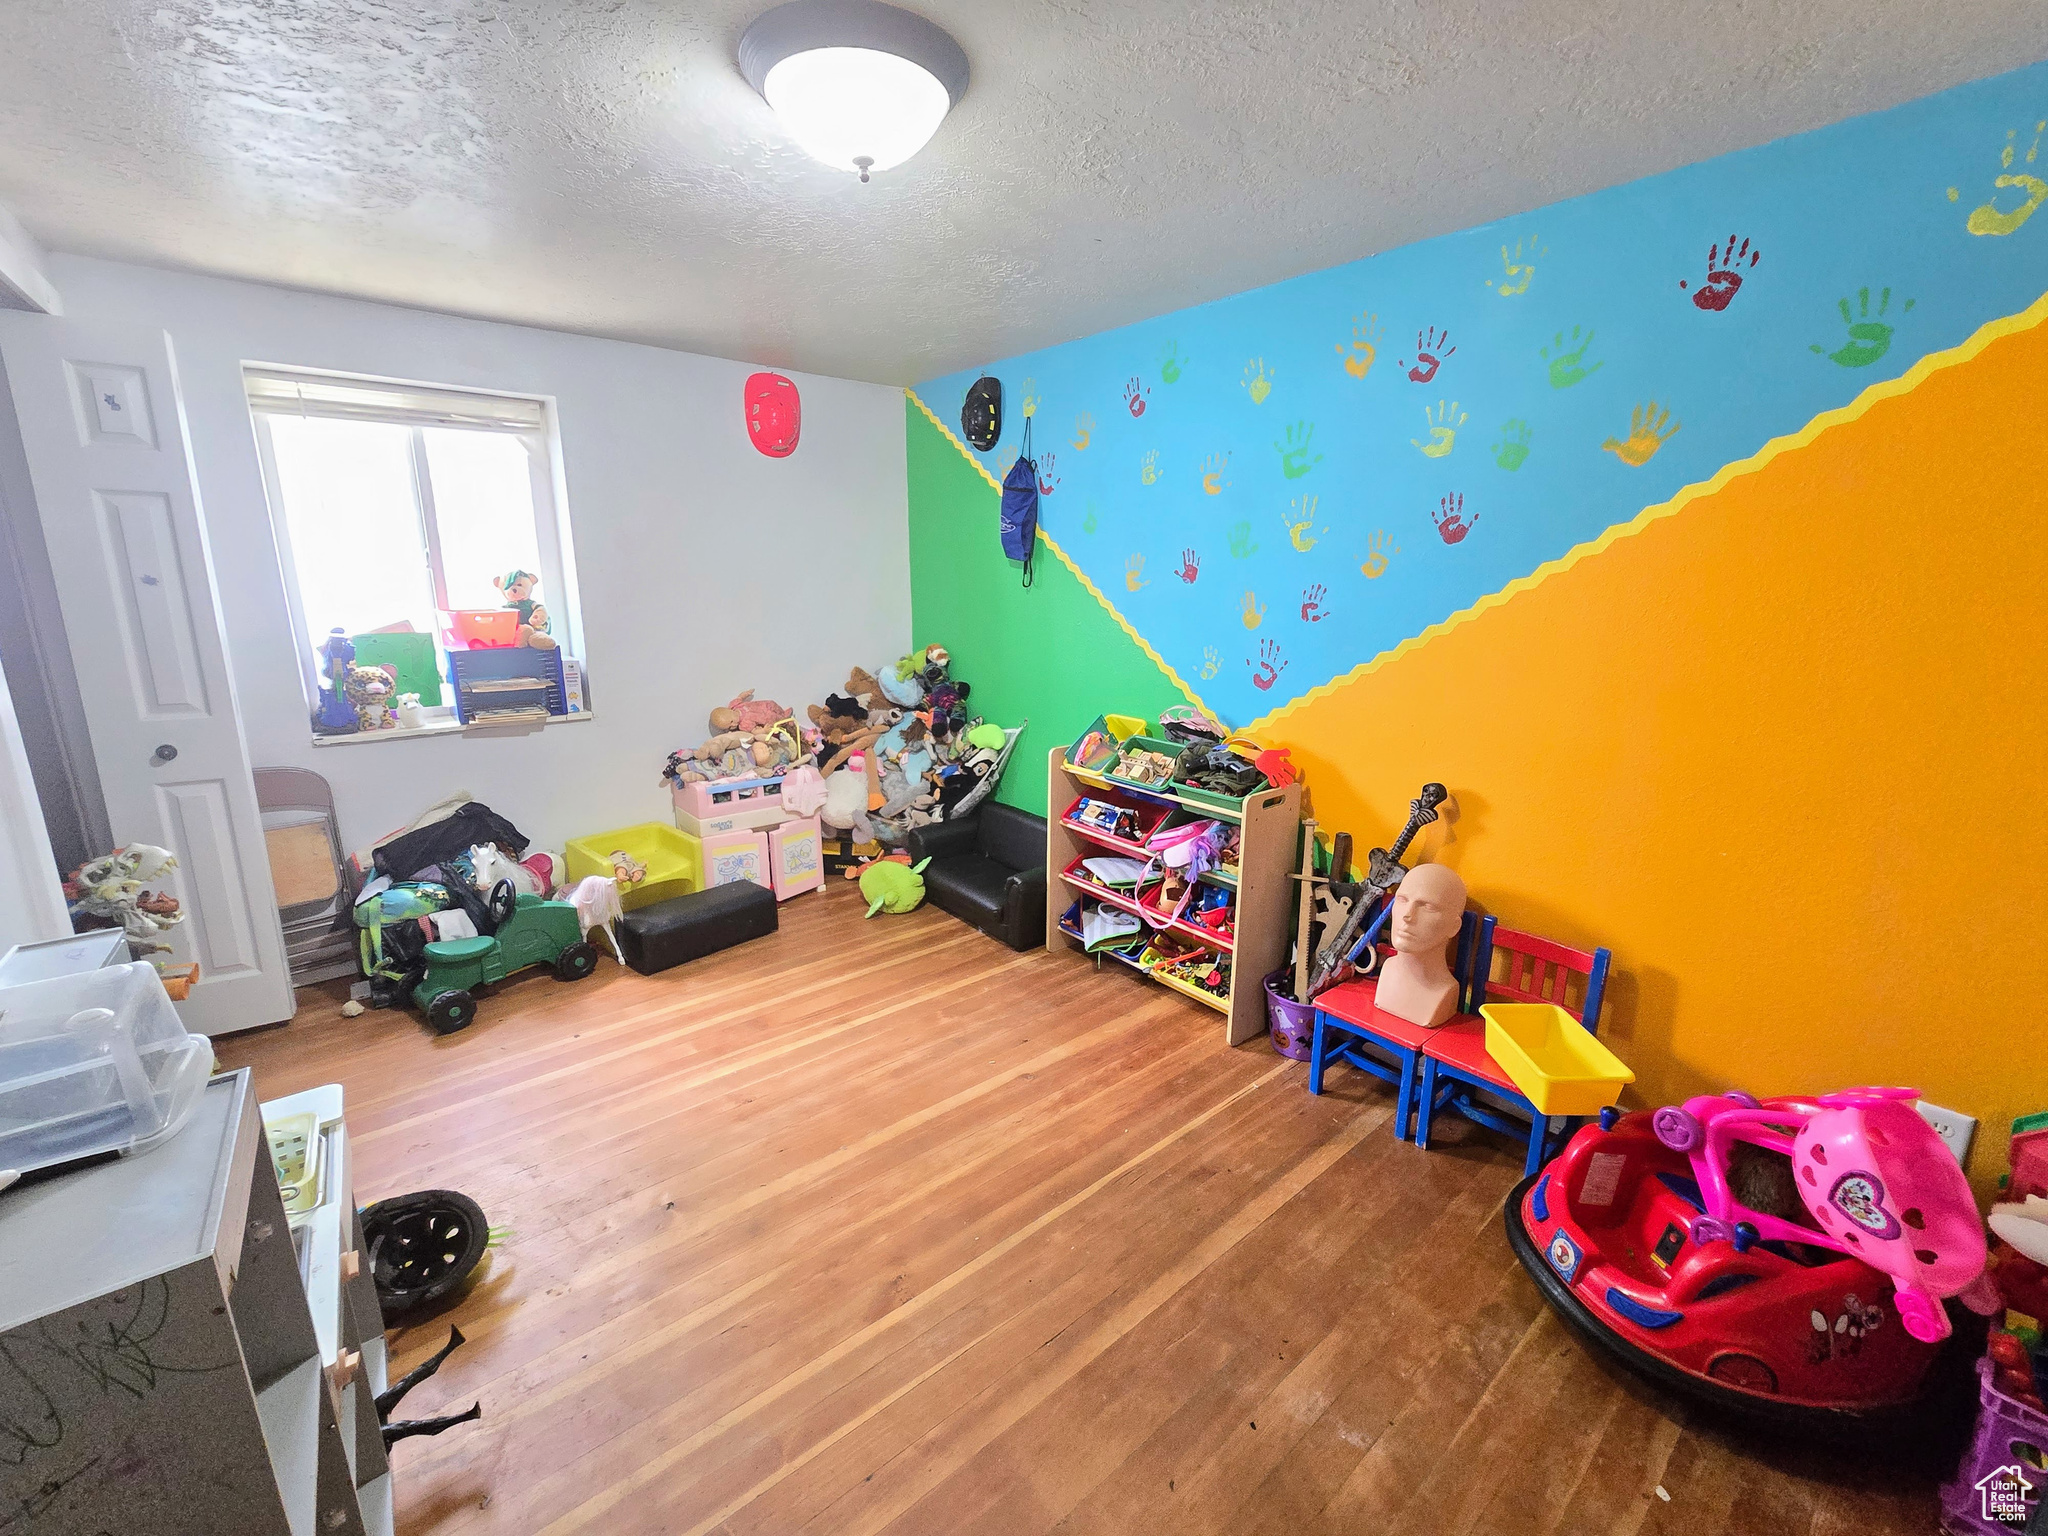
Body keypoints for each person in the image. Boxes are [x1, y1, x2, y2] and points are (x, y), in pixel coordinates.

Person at [1373, 863, 1467, 1028]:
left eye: (1428, 907)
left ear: (1454, 926)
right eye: (1402, 900)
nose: (1407, 915)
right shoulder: (1387, 970)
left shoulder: (1445, 991)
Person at [493, 569, 557, 649]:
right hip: (514, 634)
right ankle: (520, 646)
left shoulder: (531, 604)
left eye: (519, 585)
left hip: (534, 629)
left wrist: (537, 617)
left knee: (537, 636)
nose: (514, 589)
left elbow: (540, 610)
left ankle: (537, 641)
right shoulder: (505, 609)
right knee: (524, 630)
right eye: (509, 587)